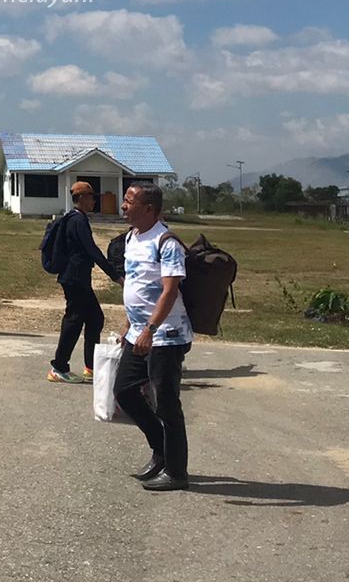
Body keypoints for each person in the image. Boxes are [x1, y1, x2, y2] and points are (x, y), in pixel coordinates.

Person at [114, 180, 193, 492]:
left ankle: (177, 472)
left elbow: (170, 290)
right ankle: (161, 448)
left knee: (167, 405)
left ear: (149, 209)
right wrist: (130, 325)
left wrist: (150, 329)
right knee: (124, 392)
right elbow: (137, 285)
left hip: (166, 336)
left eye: (129, 201)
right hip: (139, 332)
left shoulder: (166, 241)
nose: (123, 206)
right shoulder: (133, 237)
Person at [48, 180, 121, 384]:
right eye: (91, 198)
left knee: (95, 318)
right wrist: (115, 275)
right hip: (74, 278)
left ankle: (91, 366)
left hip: (77, 277)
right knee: (73, 320)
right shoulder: (78, 221)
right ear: (80, 199)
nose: (94, 202)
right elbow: (92, 250)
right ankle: (59, 367)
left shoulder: (76, 218)